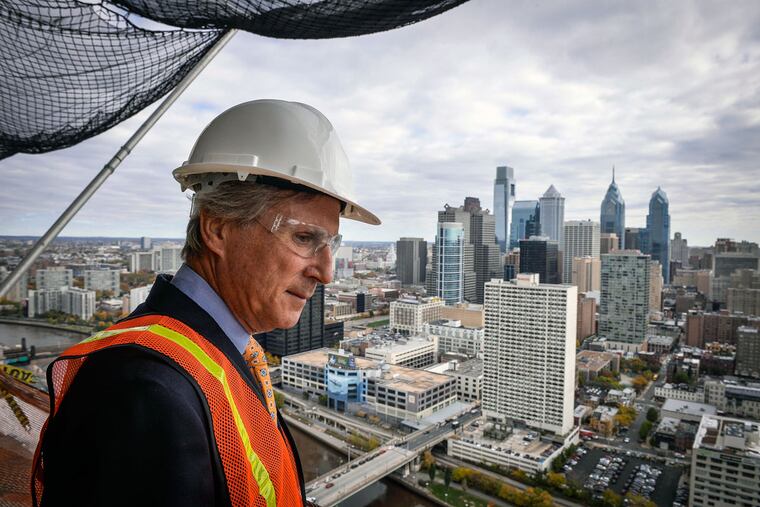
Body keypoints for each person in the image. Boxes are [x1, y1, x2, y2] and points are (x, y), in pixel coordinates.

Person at [32, 100, 380, 507]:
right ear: (217, 227)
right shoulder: (144, 388)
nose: (326, 273)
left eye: (331, 245)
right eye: (305, 239)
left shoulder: (223, 356)